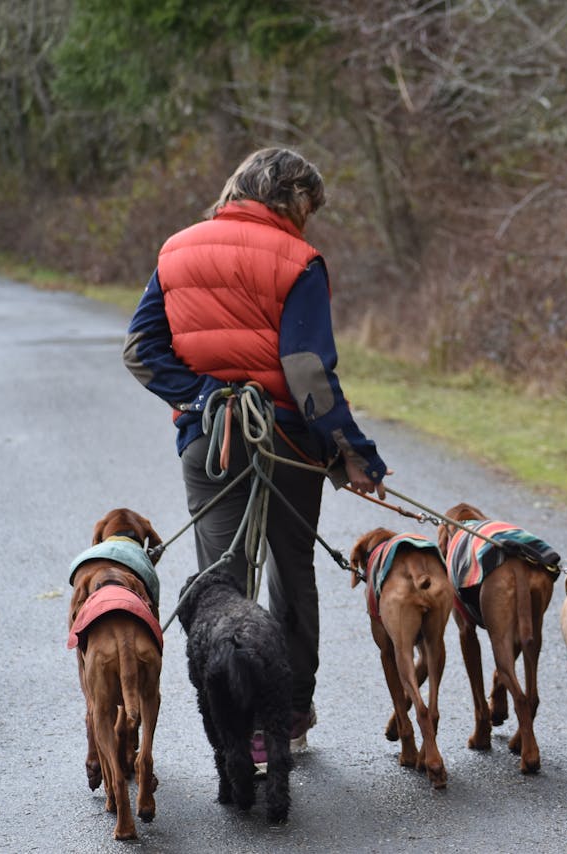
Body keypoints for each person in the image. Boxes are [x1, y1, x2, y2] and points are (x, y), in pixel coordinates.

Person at [123, 147, 388, 759]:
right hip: (288, 444)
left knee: (223, 582)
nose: (308, 221)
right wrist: (355, 453)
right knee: (292, 571)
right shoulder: (300, 261)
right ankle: (288, 712)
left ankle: (240, 726)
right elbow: (306, 372)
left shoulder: (175, 250)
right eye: (308, 207)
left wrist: (201, 395)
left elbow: (140, 350)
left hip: (211, 441)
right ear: (292, 198)